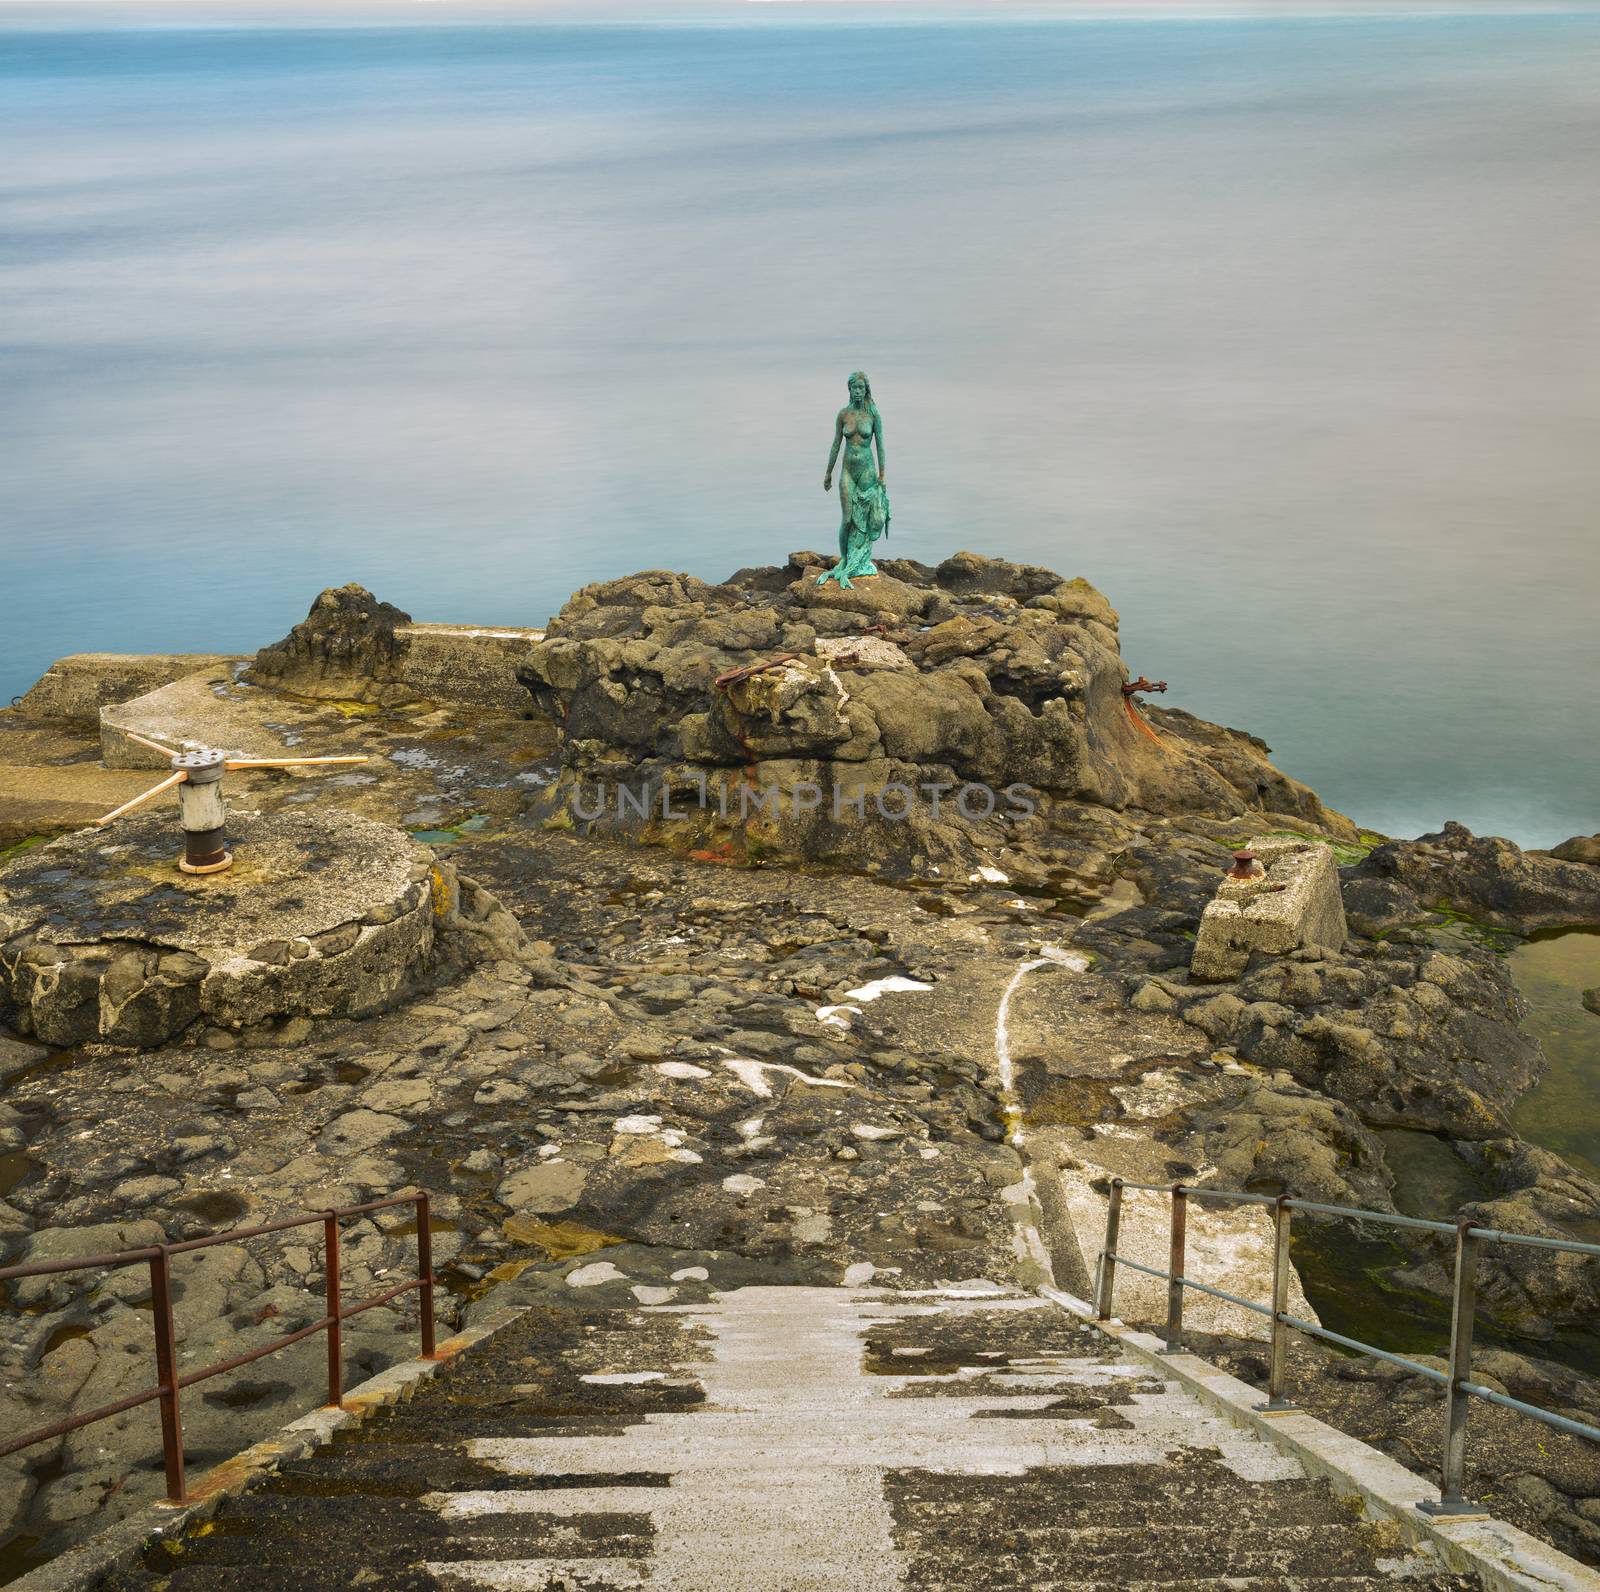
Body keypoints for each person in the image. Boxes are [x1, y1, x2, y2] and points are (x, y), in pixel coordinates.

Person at [819, 371, 890, 588]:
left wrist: (883, 475)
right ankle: (846, 559)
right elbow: (835, 445)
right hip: (848, 471)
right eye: (854, 388)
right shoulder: (843, 415)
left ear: (866, 389)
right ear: (849, 389)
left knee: (865, 521)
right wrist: (828, 472)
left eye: (861, 388)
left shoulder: (873, 415)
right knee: (848, 519)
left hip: (867, 470)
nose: (858, 392)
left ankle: (861, 560)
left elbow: (880, 446)